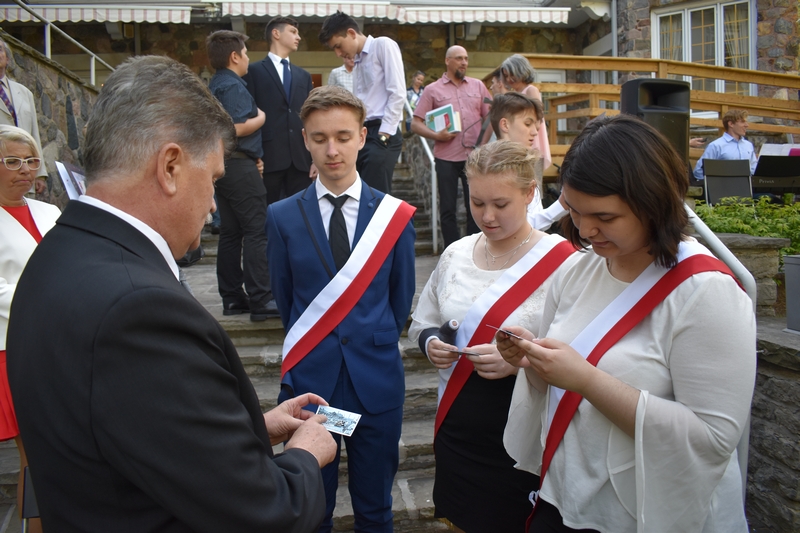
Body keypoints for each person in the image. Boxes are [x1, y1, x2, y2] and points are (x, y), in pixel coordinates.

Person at [6, 55, 337, 532]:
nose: (213, 204)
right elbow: (265, 513)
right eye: (215, 179)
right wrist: (306, 454)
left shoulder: (59, 252)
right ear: (171, 166)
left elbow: (132, 429)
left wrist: (249, 430)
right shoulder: (139, 310)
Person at [498, 114, 756, 532]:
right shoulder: (577, 270)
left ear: (652, 202)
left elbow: (711, 438)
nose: (586, 229)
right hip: (562, 497)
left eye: (605, 216)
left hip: (639, 516)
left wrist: (587, 380)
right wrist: (534, 360)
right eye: (574, 211)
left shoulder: (707, 292)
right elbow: (558, 387)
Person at [266, 85, 416, 533]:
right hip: (315, 389)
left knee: (376, 509)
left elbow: (400, 300)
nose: (332, 150)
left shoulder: (394, 216)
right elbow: (287, 300)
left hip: (376, 385)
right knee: (313, 509)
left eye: (343, 137)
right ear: (305, 140)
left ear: (362, 137)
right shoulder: (281, 216)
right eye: (319, 138)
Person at [408, 141, 577, 533]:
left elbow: (583, 353)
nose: (487, 215)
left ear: (530, 192)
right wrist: (431, 343)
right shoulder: (456, 253)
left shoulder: (565, 261)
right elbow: (423, 320)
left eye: (500, 204)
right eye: (477, 202)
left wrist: (520, 363)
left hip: (523, 436)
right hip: (457, 427)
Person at [0, 125, 59, 533]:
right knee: (35, 457)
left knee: (57, 451)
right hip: (12, 349)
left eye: (31, 161)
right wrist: (49, 297)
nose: (25, 169)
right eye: (13, 161)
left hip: (58, 344)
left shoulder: (50, 212)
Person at [207, 30, 277, 321]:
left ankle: (233, 298)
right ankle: (262, 299)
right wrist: (261, 117)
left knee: (231, 232)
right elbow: (232, 129)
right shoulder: (232, 85)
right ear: (234, 56)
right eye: (246, 53)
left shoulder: (216, 83)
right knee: (257, 229)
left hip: (226, 165)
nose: (248, 58)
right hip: (238, 165)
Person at [411, 46, 492, 248]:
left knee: (476, 205)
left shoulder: (478, 86)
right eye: (459, 58)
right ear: (447, 61)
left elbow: (491, 116)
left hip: (474, 157)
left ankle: (473, 250)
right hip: (446, 157)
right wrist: (436, 135)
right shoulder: (432, 90)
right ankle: (451, 251)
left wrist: (482, 145)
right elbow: (415, 123)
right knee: (448, 208)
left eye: (466, 58)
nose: (464, 62)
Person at [319, 11, 406, 194]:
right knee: (359, 194)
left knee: (375, 196)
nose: (338, 53)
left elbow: (397, 92)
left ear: (351, 33)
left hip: (382, 132)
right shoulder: (357, 61)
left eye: (338, 46)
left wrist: (384, 134)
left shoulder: (382, 45)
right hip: (362, 133)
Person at [245, 16, 316, 204]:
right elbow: (249, 114)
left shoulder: (304, 76)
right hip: (267, 159)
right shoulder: (253, 72)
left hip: (301, 160)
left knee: (300, 212)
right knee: (268, 213)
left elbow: (311, 118)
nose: (298, 37)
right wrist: (254, 156)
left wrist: (314, 159)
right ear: (276, 34)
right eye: (293, 32)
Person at [489, 92, 568, 231]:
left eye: (535, 127)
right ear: (505, 125)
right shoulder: (494, 169)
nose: (535, 132)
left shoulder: (524, 163)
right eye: (527, 124)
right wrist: (562, 204)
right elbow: (519, 228)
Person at [0, 39, 47, 194]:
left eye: (0, 49)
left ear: (7, 58)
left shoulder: (25, 92)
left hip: (25, 172)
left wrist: (39, 173)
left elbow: (34, 135)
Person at [500, 54, 552, 170]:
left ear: (521, 71)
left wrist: (529, 128)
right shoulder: (514, 94)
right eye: (506, 76)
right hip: (518, 140)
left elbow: (538, 116)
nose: (509, 79)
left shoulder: (530, 90)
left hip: (532, 141)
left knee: (533, 174)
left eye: (512, 74)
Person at [693, 109, 758, 181]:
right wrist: (714, 184)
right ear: (731, 124)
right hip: (723, 186)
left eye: (746, 122)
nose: (747, 125)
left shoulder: (748, 145)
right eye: (742, 122)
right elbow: (699, 171)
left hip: (746, 186)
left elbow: (754, 169)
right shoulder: (716, 146)